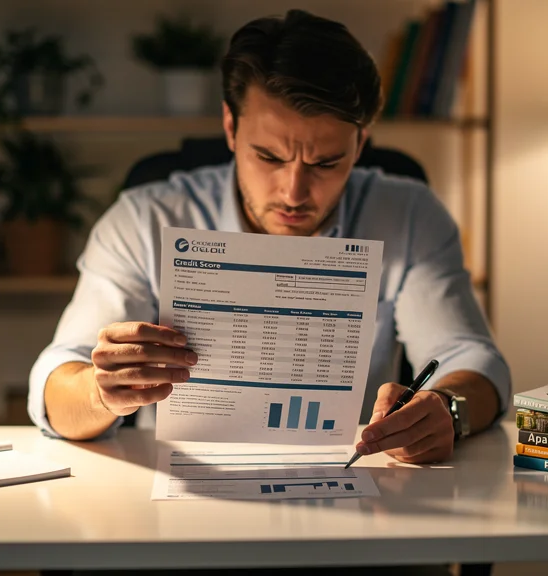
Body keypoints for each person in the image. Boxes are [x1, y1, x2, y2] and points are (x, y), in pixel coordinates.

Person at [28, 9, 511, 469]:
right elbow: (57, 381)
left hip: (357, 489)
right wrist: (99, 392)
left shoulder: (409, 215)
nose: (294, 192)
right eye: (269, 156)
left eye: (325, 163)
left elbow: (474, 360)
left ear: (360, 144)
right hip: (184, 501)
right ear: (230, 128)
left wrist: (447, 408)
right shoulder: (143, 220)